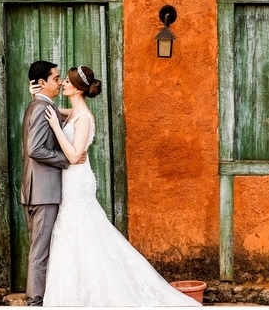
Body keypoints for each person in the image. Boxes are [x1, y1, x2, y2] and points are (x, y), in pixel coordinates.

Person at [38, 65, 200, 307]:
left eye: (68, 82)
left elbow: (73, 155)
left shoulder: (84, 119)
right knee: (75, 232)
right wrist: (39, 98)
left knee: (83, 228)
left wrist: (54, 127)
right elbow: (52, 110)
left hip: (78, 181)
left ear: (78, 90)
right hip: (70, 180)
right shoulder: (72, 113)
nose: (63, 84)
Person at [20, 60, 87, 307]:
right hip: (44, 191)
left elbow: (70, 114)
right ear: (42, 82)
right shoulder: (41, 108)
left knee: (41, 249)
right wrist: (68, 159)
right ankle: (35, 302)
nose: (59, 82)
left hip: (36, 190)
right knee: (40, 252)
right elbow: (35, 149)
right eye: (56, 78)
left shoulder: (40, 105)